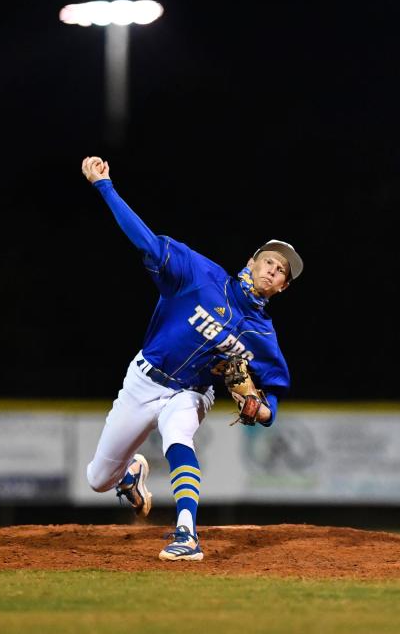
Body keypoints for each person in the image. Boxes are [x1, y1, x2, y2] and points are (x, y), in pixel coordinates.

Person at [80, 155, 302, 561]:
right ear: (252, 262)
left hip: (192, 393)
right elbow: (146, 240)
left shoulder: (262, 336)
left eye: (282, 273)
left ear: (283, 288)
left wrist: (260, 410)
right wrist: (104, 186)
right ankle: (130, 475)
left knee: (179, 438)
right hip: (144, 380)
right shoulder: (199, 275)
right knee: (97, 479)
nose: (273, 271)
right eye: (269, 261)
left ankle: (186, 534)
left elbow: (272, 401)